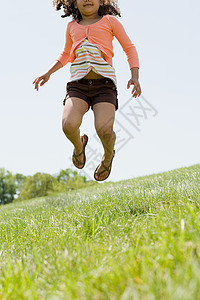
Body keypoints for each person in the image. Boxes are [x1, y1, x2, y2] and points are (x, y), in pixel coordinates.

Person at [33, 0, 142, 181]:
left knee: (104, 130)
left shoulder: (110, 21)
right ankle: (79, 146)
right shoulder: (71, 27)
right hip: (78, 85)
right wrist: (48, 72)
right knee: (68, 124)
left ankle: (108, 157)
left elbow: (129, 48)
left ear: (102, 2)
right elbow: (66, 54)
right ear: (74, 4)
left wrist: (135, 76)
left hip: (104, 86)